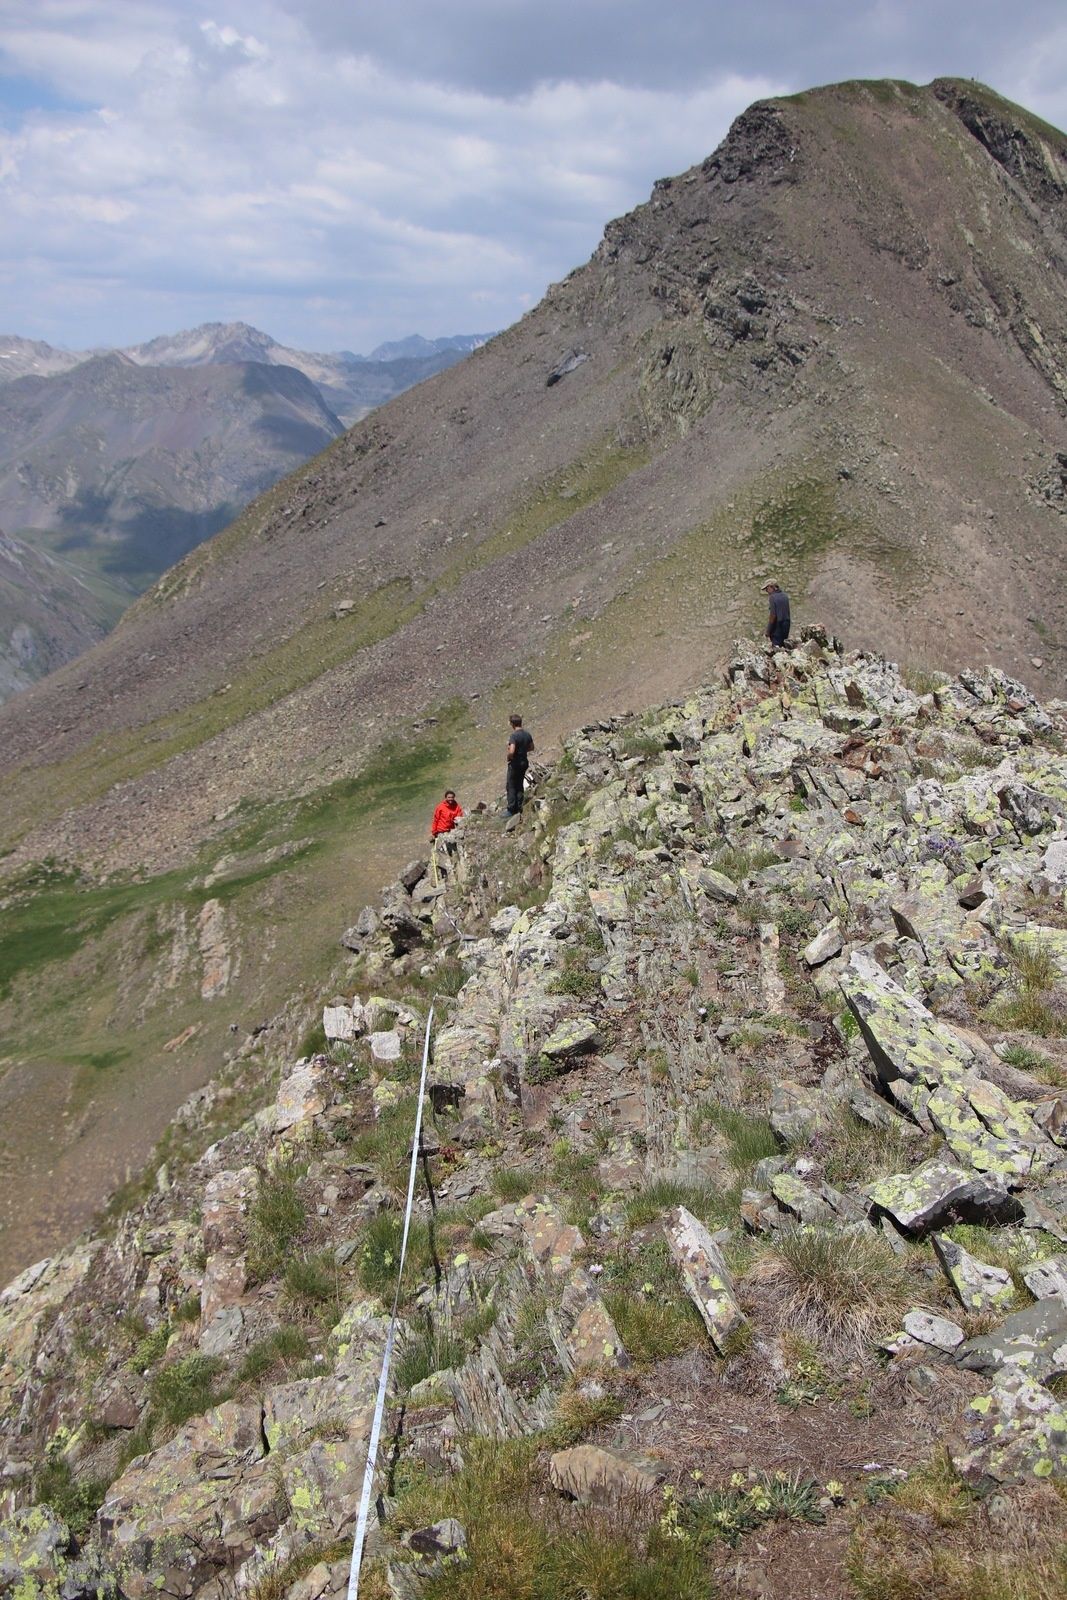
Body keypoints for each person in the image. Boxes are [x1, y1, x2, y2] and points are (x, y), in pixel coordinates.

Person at [505, 713, 534, 818]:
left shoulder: (514, 736)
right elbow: (531, 747)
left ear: (512, 724)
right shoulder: (527, 734)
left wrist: (509, 756)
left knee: (511, 785)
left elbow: (512, 751)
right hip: (524, 762)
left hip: (515, 763)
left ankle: (511, 809)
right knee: (519, 784)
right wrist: (522, 750)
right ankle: (519, 806)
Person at [762, 580, 791, 648]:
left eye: (767, 588)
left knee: (776, 647)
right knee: (783, 645)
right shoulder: (785, 595)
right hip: (787, 624)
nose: (767, 591)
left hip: (778, 626)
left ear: (771, 587)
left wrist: (768, 631)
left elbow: (773, 615)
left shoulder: (772, 597)